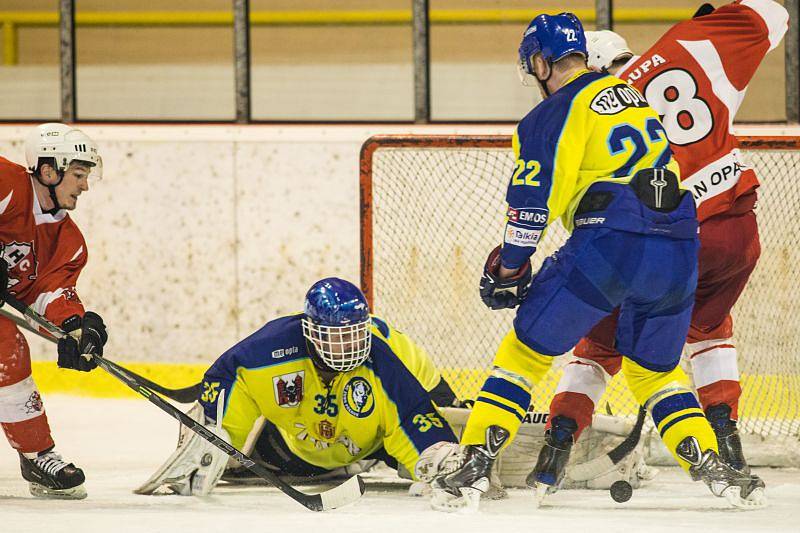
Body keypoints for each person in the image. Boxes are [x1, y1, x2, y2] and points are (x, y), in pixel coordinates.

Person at [431, 12, 765, 512]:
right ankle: (714, 466)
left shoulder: (549, 114)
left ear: (541, 63)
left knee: (526, 351)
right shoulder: (633, 97)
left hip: (612, 239)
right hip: (678, 242)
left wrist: (510, 269)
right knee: (654, 372)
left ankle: (474, 464)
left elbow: (532, 206)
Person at [544, 0, 788, 481]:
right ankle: (727, 446)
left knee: (599, 345)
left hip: (657, 244)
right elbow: (774, 14)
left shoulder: (589, 109)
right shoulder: (682, 51)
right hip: (735, 232)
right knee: (710, 328)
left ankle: (556, 447)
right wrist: (712, 22)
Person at [136, 277, 462, 496]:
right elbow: (228, 375)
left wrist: (439, 451)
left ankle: (366, 456)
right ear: (312, 332)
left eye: (353, 334)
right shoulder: (269, 352)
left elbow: (415, 412)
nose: (348, 346)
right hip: (302, 446)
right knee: (237, 459)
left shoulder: (390, 356)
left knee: (451, 440)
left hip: (379, 438)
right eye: (336, 337)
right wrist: (210, 431)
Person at [0, 123, 107, 499]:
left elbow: (48, 293)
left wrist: (75, 327)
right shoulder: (6, 183)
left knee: (7, 350)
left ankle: (36, 454)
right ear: (49, 171)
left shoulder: (69, 241)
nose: (85, 186)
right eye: (78, 175)